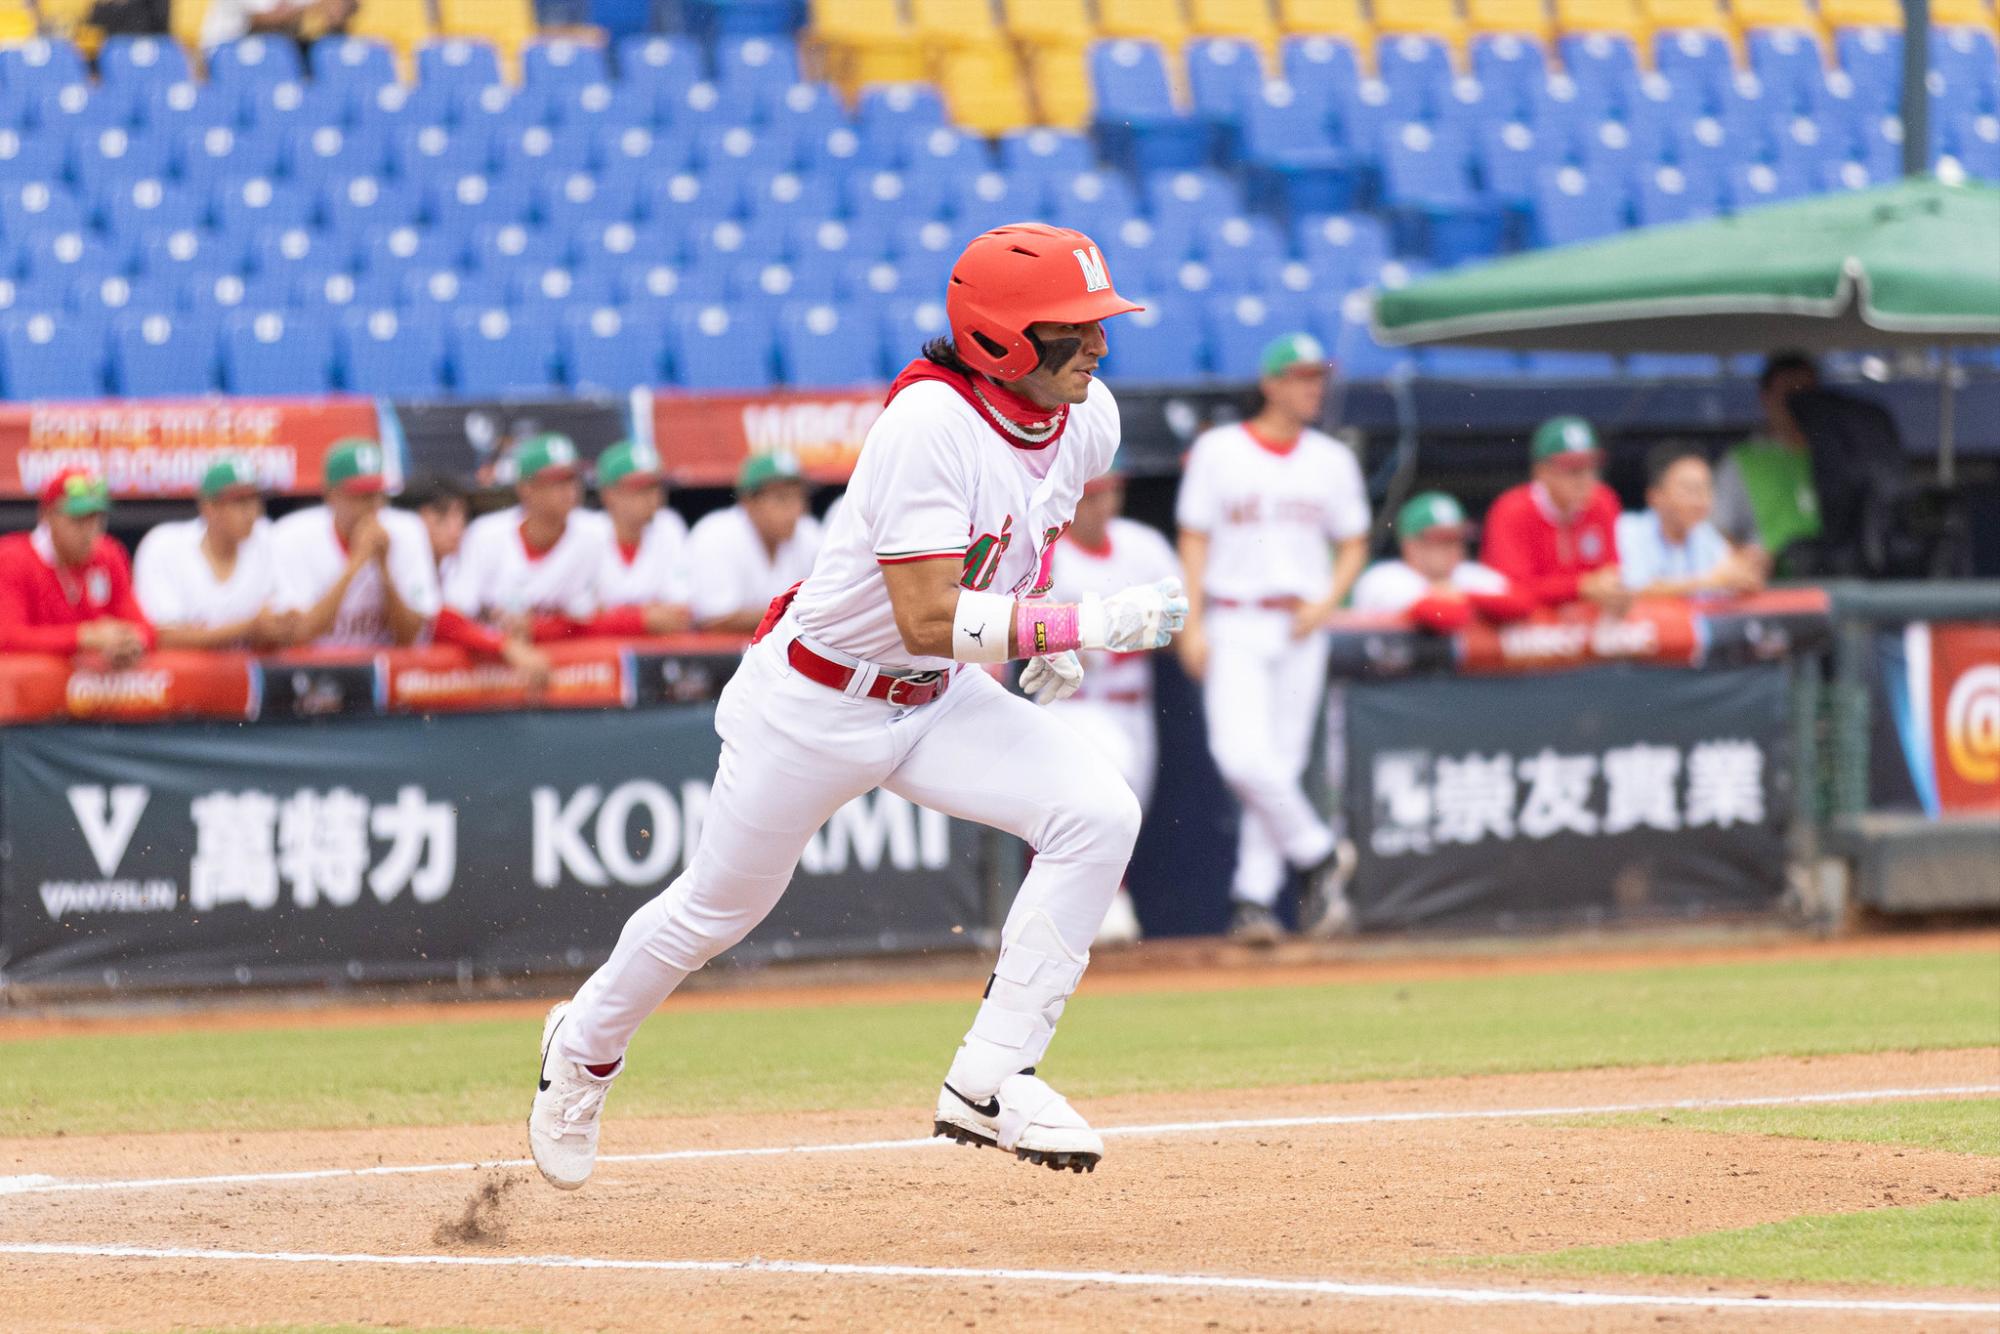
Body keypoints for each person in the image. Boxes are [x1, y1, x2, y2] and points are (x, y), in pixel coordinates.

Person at [529, 223, 1186, 1189]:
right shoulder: (927, 426)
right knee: (719, 908)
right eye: (1075, 327)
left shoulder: (1088, 415)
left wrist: (1034, 627)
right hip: (817, 698)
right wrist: (1076, 624)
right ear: (1005, 338)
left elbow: (1026, 527)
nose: (1098, 343)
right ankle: (581, 1049)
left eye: (1098, 324)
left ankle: (992, 1077)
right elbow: (925, 616)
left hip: (938, 699)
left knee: (1098, 813)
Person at [1175, 332, 1370, 945]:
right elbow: (1195, 537)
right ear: (1271, 384)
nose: (1314, 387)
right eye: (1302, 377)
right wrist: (1193, 620)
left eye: (1319, 377)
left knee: (1279, 765)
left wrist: (1329, 599)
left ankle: (1253, 899)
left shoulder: (1330, 459)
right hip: (1235, 613)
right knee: (1241, 756)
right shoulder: (1220, 449)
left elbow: (1354, 539)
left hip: (1299, 621)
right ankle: (1317, 853)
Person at [1040, 456, 1181, 946]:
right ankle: (1104, 907)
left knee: (1129, 806)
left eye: (1108, 493)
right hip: (1072, 699)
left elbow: (1180, 621)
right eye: (1090, 494)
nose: (1100, 505)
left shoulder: (1143, 546)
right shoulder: (1048, 553)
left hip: (1132, 700)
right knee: (1099, 795)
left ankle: (1092, 907)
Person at [270, 439, 439, 649]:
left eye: (378, 494)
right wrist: (355, 563)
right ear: (331, 495)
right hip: (317, 671)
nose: (374, 505)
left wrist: (384, 570)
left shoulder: (407, 530)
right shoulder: (293, 535)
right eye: (361, 496)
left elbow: (410, 636)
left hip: (383, 669)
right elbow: (300, 633)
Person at [445, 434, 610, 646]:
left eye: (572, 478)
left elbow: (592, 622)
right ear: (526, 488)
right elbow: (450, 618)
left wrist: (535, 628)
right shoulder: (486, 535)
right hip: (491, 668)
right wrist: (504, 645)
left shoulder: (595, 533)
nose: (569, 489)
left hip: (569, 667)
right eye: (556, 480)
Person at [133, 458, 295, 650]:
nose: (252, 511)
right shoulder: (164, 546)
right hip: (185, 678)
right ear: (209, 508)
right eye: (240, 501)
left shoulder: (268, 539)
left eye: (255, 499)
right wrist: (247, 629)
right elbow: (162, 637)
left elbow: (289, 622)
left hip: (248, 676)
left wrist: (273, 629)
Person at [0, 468, 154, 664]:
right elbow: (7, 637)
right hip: (31, 689)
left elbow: (145, 628)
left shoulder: (108, 554)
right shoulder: (12, 558)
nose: (89, 532)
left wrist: (130, 642)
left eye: (96, 520)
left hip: (92, 692)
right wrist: (85, 637)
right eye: (78, 520)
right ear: (47, 515)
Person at [1480, 415, 1627, 612]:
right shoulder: (1512, 509)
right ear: (1541, 471)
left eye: (1590, 468)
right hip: (1524, 631)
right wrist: (1580, 587)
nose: (1585, 480)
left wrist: (1612, 590)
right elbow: (1512, 589)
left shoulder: (1602, 501)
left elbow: (1611, 571)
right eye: (1573, 470)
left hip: (1585, 626)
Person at [684, 453, 823, 633]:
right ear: (748, 502)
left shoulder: (808, 534)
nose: (795, 509)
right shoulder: (717, 534)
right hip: (724, 657)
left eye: (799, 497)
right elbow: (715, 621)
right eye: (782, 498)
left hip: (780, 653)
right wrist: (794, 613)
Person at [1713, 352, 1822, 578]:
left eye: (1807, 395)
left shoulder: (1839, 456)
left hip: (1834, 584)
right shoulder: (1742, 461)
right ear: (1766, 398)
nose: (1799, 406)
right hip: (1767, 590)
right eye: (1789, 396)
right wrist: (1746, 559)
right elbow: (1714, 532)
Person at [1351, 491, 1531, 628]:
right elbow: (1441, 615)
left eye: (1456, 539)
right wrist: (1478, 605)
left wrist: (1461, 596)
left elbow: (1523, 604)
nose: (1453, 548)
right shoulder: (1382, 578)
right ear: (1411, 545)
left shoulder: (1468, 574)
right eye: (1441, 540)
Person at [1618, 444, 1765, 599]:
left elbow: (1731, 576)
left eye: (1706, 489)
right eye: (1690, 490)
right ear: (1655, 496)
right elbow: (1632, 590)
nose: (1701, 500)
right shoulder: (1628, 530)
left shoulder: (1705, 534)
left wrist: (1746, 572)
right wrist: (1710, 581)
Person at [589, 440, 694, 637]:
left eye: (655, 486)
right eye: (639, 488)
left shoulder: (668, 526)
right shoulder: (587, 532)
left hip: (654, 651)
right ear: (609, 494)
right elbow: (579, 620)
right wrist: (642, 618)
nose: (652, 496)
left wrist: (615, 616)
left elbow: (681, 613)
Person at [398, 474, 469, 588]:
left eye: (460, 515)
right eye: (442, 517)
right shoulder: (399, 569)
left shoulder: (458, 565)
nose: (457, 527)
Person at [200, 0, 355, 48]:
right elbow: (267, 18)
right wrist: (316, 7)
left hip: (279, 53)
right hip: (226, 53)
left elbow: (345, 5)